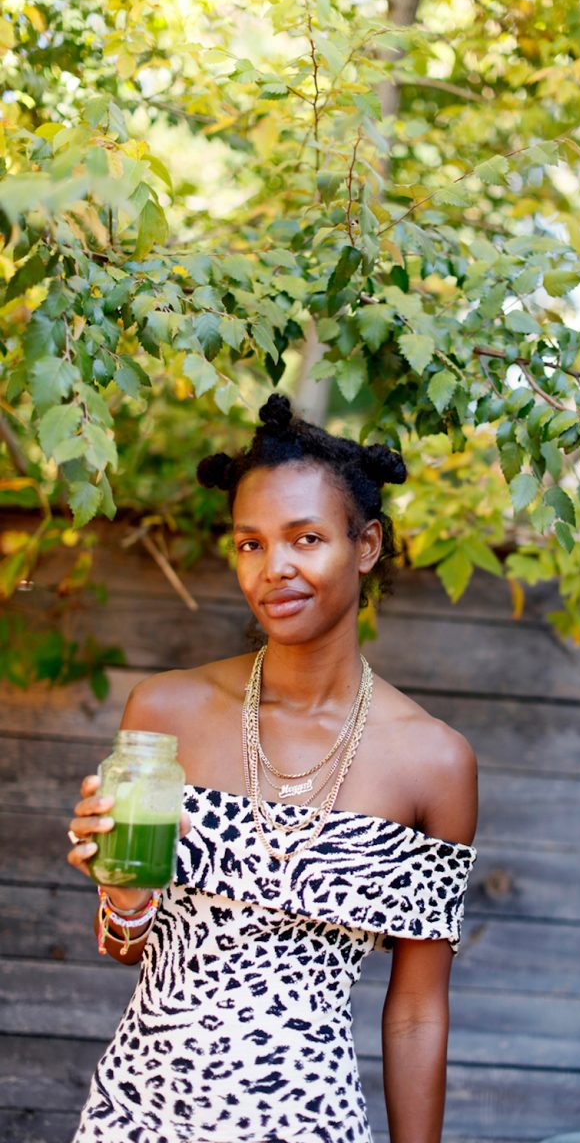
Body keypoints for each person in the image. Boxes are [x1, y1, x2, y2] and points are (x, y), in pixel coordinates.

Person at [67, 393, 478, 1143]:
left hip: (308, 1122)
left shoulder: (434, 762)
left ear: (366, 544)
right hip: (138, 1115)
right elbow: (126, 948)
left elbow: (418, 1010)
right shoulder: (165, 714)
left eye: (306, 538)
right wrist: (122, 895)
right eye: (250, 543)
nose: (273, 569)